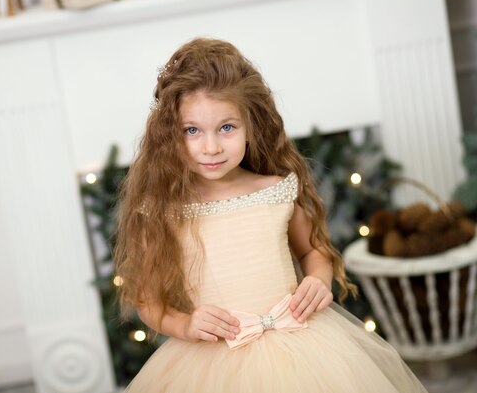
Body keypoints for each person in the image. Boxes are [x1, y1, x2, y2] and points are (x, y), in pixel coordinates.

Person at [114, 37, 428, 392]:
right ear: (170, 135)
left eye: (227, 128)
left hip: (304, 347)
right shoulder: (162, 211)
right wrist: (185, 325)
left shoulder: (273, 192)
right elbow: (148, 301)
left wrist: (318, 279)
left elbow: (313, 251)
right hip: (213, 363)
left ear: (250, 126)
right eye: (192, 131)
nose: (211, 146)